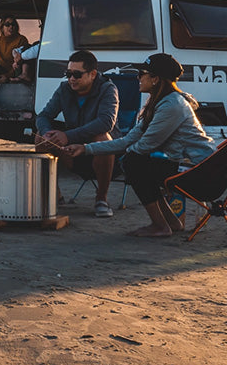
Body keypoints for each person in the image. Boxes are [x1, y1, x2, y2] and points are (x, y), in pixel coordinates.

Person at [64, 53, 216, 237]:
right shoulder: (158, 102)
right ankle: (171, 222)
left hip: (202, 174)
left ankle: (160, 225)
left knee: (134, 162)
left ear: (155, 79)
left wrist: (122, 157)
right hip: (188, 166)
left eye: (142, 73)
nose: (138, 77)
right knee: (136, 161)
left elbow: (143, 146)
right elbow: (128, 140)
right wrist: (85, 148)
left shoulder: (172, 106)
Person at [34, 50, 120, 217]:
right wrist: (46, 133)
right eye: (68, 74)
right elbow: (43, 115)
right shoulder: (64, 89)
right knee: (40, 137)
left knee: (102, 137)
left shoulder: (108, 89)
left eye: (77, 74)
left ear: (92, 74)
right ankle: (53, 194)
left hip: (104, 154)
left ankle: (101, 199)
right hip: (71, 150)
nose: (71, 78)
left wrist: (69, 136)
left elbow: (106, 122)